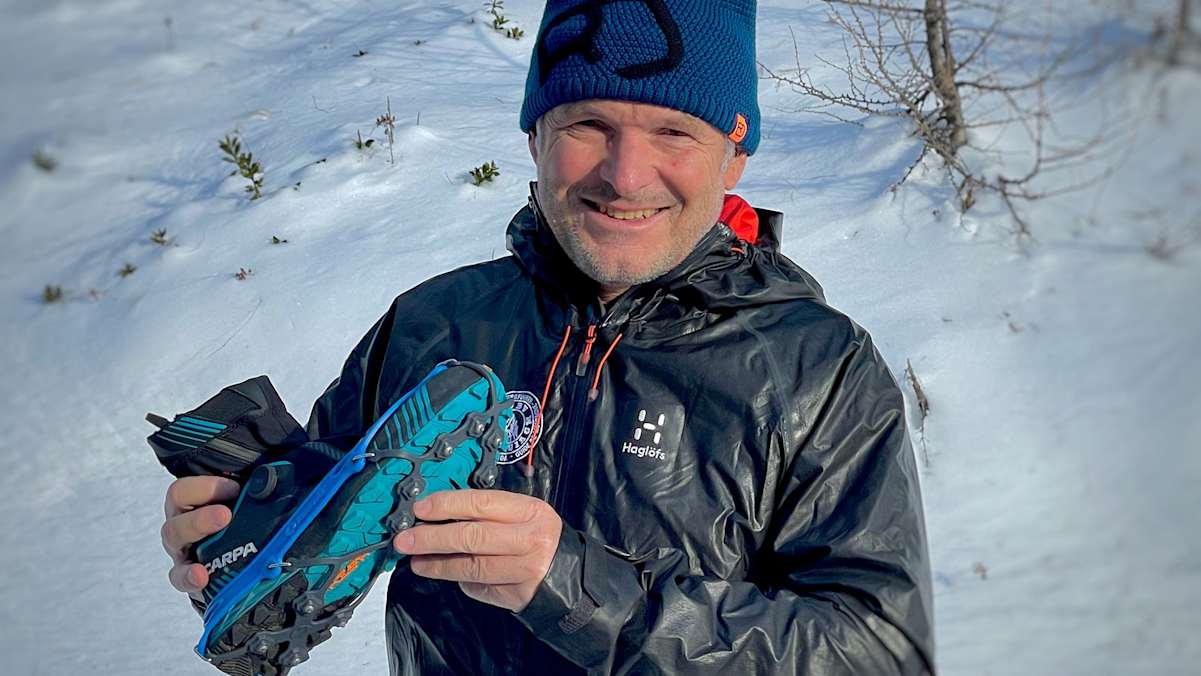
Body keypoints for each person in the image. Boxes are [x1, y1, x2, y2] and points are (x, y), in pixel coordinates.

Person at [160, 0, 936, 673]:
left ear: (734, 153)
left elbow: (878, 653)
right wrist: (236, 532)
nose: (625, 176)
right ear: (535, 135)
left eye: (673, 131)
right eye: (588, 123)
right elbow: (325, 529)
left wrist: (579, 590)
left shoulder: (815, 369)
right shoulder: (435, 321)